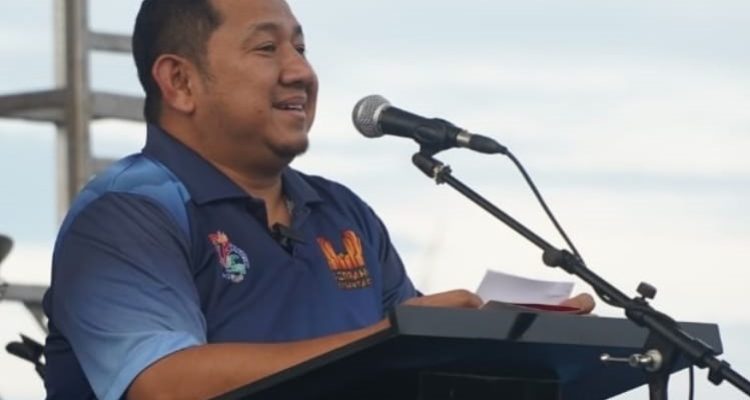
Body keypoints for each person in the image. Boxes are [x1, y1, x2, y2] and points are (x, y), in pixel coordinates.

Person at [42, 1, 593, 399]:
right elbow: (165, 386)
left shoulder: (343, 214)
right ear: (180, 81)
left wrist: (504, 340)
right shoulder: (126, 212)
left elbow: (413, 370)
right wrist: (388, 337)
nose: (301, 71)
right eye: (267, 48)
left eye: (301, 48)